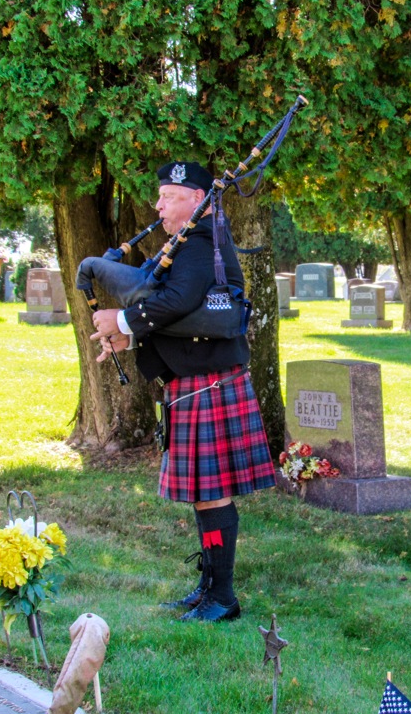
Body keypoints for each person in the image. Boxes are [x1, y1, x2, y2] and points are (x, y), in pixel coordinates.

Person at [90, 161, 276, 622]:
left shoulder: (202, 238)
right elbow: (180, 315)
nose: (158, 205)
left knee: (211, 493)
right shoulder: (190, 240)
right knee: (202, 493)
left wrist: (122, 321)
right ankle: (210, 585)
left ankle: (223, 598)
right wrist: (129, 336)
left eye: (168, 196)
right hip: (196, 381)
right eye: (159, 196)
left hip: (207, 381)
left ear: (197, 198)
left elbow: (178, 302)